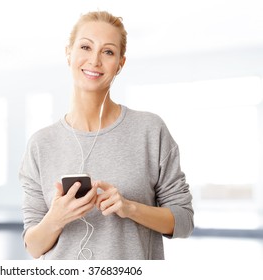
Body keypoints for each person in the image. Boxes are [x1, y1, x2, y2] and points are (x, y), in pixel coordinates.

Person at [19, 10, 194, 260]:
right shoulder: (40, 144)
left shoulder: (150, 130)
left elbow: (184, 221)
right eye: (85, 47)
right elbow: (33, 246)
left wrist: (130, 208)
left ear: (120, 63)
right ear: (69, 53)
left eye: (108, 51)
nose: (95, 60)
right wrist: (56, 219)